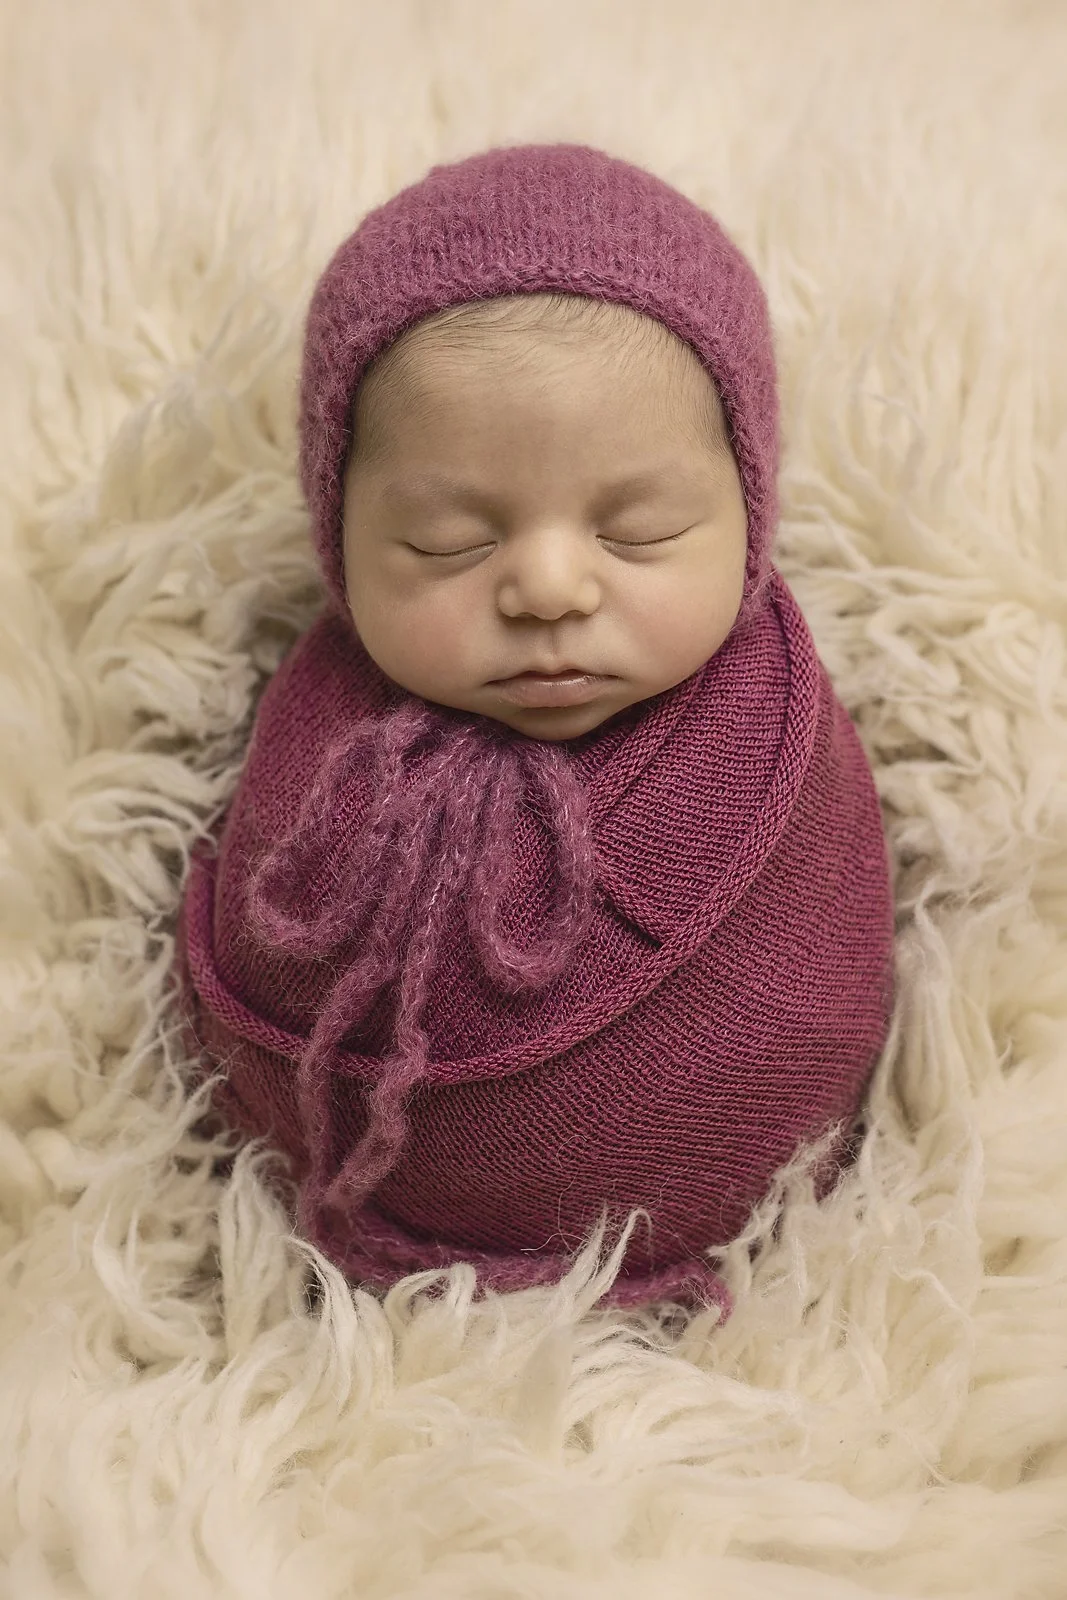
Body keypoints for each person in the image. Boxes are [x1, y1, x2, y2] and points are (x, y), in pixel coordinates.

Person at [175, 143, 894, 1313]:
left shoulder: (776, 744)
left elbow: (822, 981)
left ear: (747, 510)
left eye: (643, 529)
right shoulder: (320, 750)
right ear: (340, 532)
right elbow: (262, 962)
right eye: (450, 543)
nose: (549, 588)